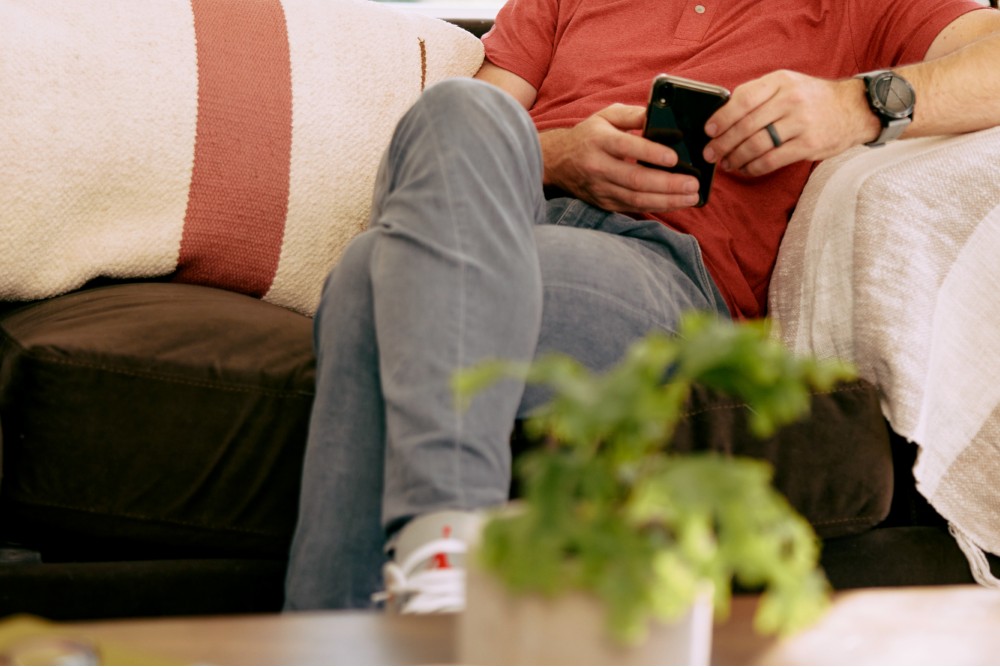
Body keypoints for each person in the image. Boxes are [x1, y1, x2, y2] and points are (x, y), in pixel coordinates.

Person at [284, 0, 1000, 613]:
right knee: (451, 115)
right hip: (498, 227)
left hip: (653, 271)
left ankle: (406, 581)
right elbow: (441, 158)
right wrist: (558, 155)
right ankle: (440, 569)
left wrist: (853, 105)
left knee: (369, 276)